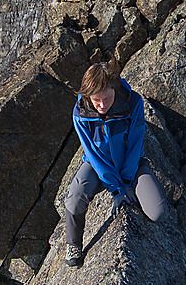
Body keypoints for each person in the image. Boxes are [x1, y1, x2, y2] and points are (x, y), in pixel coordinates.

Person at [65, 56, 169, 267]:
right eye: (96, 100)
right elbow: (94, 156)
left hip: (132, 165)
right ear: (88, 97)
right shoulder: (80, 113)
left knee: (158, 213)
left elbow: (136, 145)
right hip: (97, 167)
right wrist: (117, 190)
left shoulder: (133, 103)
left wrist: (128, 181)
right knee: (75, 198)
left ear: (115, 90)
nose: (102, 105)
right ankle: (73, 244)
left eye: (107, 98)